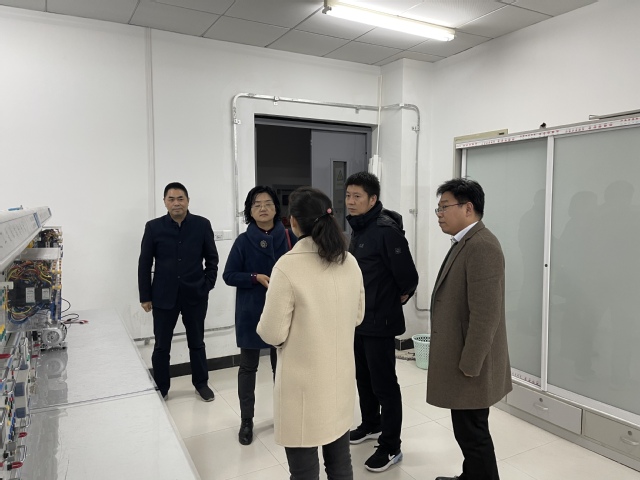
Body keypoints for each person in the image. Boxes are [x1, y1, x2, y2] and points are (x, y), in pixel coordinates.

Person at [256, 187, 364, 480]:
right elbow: (358, 316)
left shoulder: (288, 266)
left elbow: (271, 333)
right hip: (339, 380)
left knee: (304, 472)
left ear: (293, 222)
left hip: (303, 388)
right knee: (340, 465)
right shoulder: (349, 261)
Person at [429, 178, 512, 480]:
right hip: (462, 356)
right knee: (466, 429)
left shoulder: (482, 246)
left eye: (444, 207)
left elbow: (486, 315)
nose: (439, 214)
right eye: (438, 208)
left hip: (470, 362)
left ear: (468, 208)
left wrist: (470, 365)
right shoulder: (465, 241)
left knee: (473, 434)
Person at [344, 171, 419, 473]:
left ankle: (391, 446)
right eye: (348, 195)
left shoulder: (386, 231)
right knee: (363, 377)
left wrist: (395, 297)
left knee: (385, 384)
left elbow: (408, 277)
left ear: (372, 199)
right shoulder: (359, 228)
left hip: (380, 321)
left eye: (357, 196)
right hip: (359, 320)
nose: (350, 201)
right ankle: (371, 424)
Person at [223, 186, 297, 446]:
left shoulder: (289, 236)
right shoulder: (243, 241)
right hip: (251, 313)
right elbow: (229, 275)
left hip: (283, 312)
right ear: (250, 211)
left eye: (268, 203)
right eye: (257, 205)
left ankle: (284, 415)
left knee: (283, 368)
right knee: (248, 367)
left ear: (276, 209)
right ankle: (246, 421)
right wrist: (254, 277)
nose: (263, 208)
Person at [138, 182, 218, 402]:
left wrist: (207, 285)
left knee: (197, 342)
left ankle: (201, 384)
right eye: (171, 199)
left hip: (195, 295)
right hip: (163, 296)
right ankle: (161, 387)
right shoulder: (153, 227)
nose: (176, 203)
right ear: (165, 202)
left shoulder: (202, 225)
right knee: (161, 346)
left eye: (180, 198)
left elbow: (212, 259)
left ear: (188, 201)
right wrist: (145, 296)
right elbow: (145, 263)